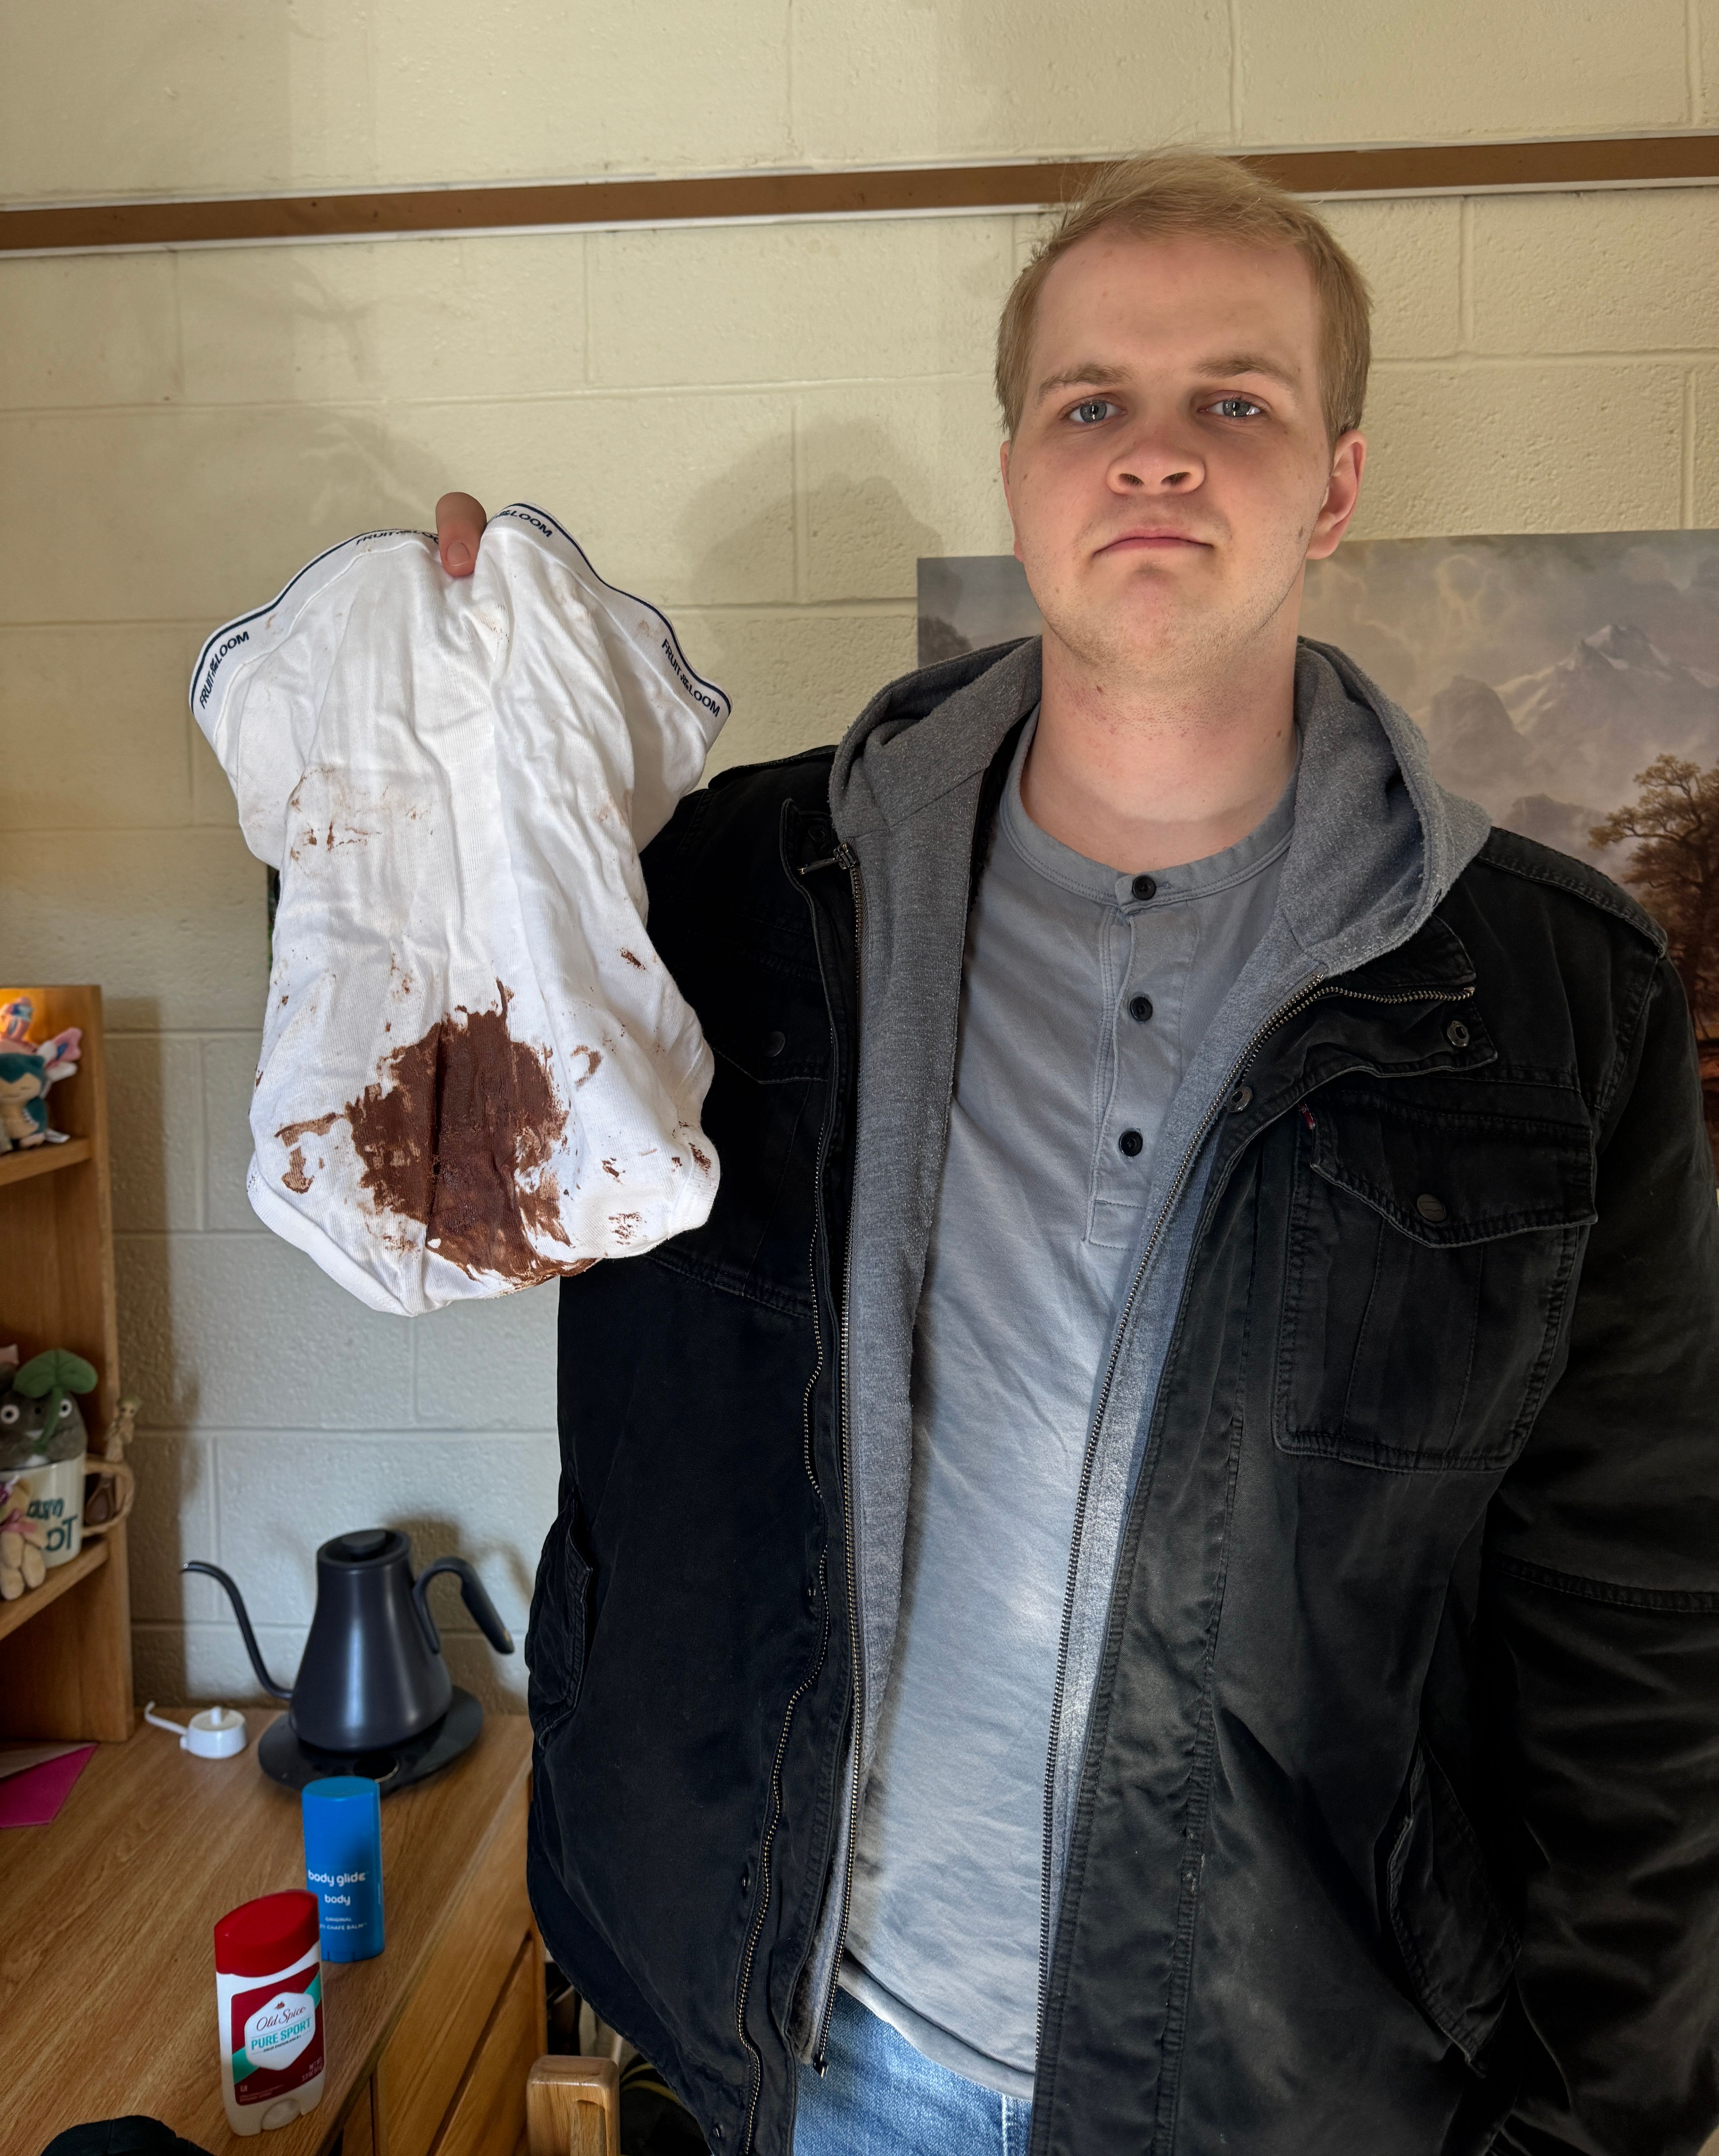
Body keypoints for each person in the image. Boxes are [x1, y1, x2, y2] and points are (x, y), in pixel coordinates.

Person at [424, 151, 1719, 2156]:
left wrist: (1605, 2123)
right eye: (1093, 401)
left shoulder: (1562, 996)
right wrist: (439, 746)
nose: (1157, 454)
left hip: (1301, 2092)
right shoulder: (736, 898)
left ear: (1338, 486)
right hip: (808, 2049)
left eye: (1236, 401)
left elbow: (1639, 1626)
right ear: (1020, 471)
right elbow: (432, 1104)